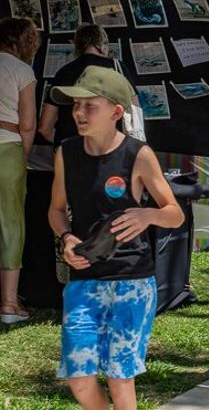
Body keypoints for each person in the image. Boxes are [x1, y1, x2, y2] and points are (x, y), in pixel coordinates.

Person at [47, 66, 183, 410]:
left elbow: (174, 213)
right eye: (76, 106)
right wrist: (66, 238)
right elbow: (56, 210)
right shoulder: (66, 152)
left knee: (120, 379)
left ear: (116, 112)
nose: (79, 113)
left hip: (131, 281)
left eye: (89, 105)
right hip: (83, 280)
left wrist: (147, 214)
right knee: (79, 379)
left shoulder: (138, 155)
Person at [0, 17, 39, 323]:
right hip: (8, 145)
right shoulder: (22, 70)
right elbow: (28, 124)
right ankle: (9, 304)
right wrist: (21, 157)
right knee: (10, 224)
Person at [39, 24, 136, 148]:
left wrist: (63, 143)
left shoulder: (64, 72)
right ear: (103, 44)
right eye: (77, 103)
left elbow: (44, 127)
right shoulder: (118, 69)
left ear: (77, 46)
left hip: (68, 150)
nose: (79, 111)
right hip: (109, 149)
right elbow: (134, 111)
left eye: (89, 105)